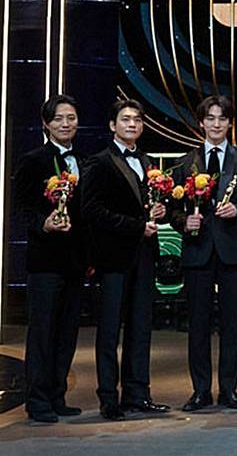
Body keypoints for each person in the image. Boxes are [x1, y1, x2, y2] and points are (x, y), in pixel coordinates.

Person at [81, 99, 170, 420]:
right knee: (109, 330)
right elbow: (91, 210)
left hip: (143, 257)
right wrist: (136, 226)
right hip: (112, 258)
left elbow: (147, 207)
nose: (132, 124)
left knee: (140, 327)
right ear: (112, 125)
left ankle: (138, 394)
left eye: (137, 120)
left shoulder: (147, 161)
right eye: (125, 119)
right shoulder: (99, 162)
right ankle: (108, 397)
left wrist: (160, 211)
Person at [172, 95, 237, 412]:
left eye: (222, 118)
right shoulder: (185, 163)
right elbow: (172, 209)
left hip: (233, 250)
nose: (217, 124)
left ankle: (229, 390)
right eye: (210, 118)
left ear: (230, 123)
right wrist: (184, 221)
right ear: (201, 123)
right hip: (198, 251)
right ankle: (200, 391)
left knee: (232, 323)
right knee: (198, 324)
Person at [16, 95, 86, 422]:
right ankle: (38, 400)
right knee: (42, 333)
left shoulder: (83, 161)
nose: (66, 124)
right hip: (45, 261)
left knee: (67, 332)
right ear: (46, 124)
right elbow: (22, 208)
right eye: (59, 118)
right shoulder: (33, 161)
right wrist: (43, 223)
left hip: (75, 261)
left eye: (71, 118)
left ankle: (58, 395)